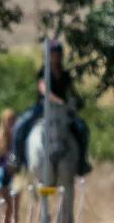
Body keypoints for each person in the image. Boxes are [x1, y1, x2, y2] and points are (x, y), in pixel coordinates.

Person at [10, 40, 92, 176]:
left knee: (82, 128)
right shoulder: (43, 72)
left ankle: (82, 162)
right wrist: (57, 100)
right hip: (43, 108)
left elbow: (72, 91)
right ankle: (15, 159)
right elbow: (44, 90)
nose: (56, 57)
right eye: (53, 54)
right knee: (20, 125)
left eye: (58, 54)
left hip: (63, 110)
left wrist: (77, 100)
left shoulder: (65, 75)